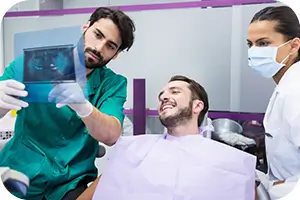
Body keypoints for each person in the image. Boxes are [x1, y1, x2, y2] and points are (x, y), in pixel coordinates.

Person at [0, 7, 135, 200]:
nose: (99, 48)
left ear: (115, 55)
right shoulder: (36, 63)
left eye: (110, 46)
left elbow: (112, 135)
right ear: (85, 27)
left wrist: (84, 107)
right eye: (97, 35)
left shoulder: (113, 84)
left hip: (69, 182)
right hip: (18, 171)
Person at [77, 75, 257, 200]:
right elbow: (101, 188)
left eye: (175, 92)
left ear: (197, 106)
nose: (164, 97)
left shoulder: (227, 161)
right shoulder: (134, 148)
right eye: (162, 95)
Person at [247, 5, 300, 199]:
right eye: (249, 44)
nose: (253, 51)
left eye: (262, 43)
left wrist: (277, 188)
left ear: (293, 46)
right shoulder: (285, 87)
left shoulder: (295, 92)